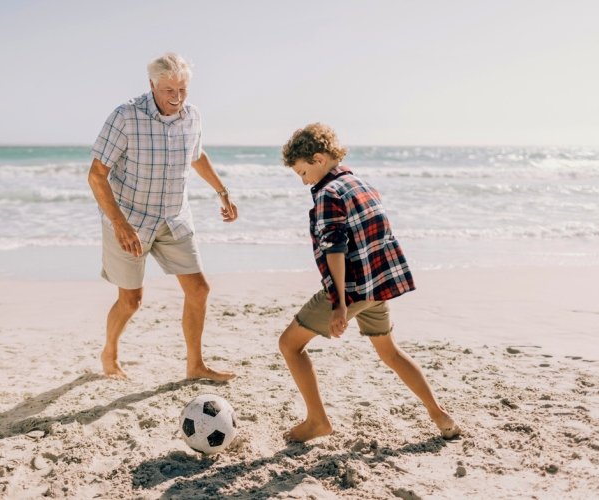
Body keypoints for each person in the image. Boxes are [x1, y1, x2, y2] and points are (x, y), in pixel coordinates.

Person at [278, 123, 460, 442]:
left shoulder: (328, 194)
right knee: (389, 352)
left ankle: (317, 420)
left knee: (290, 345)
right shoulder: (359, 182)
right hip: (377, 285)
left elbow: (335, 249)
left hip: (350, 289)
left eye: (302, 172)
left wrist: (338, 305)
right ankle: (438, 413)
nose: (303, 180)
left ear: (319, 159)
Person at [87, 53, 237, 382]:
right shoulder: (126, 116)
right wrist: (120, 223)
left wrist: (222, 191)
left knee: (199, 289)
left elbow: (196, 156)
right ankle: (109, 351)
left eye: (182, 89)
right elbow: (97, 175)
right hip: (130, 220)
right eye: (169, 90)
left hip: (173, 218)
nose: (177, 97)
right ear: (152, 85)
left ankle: (195, 365)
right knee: (131, 300)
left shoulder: (192, 116)